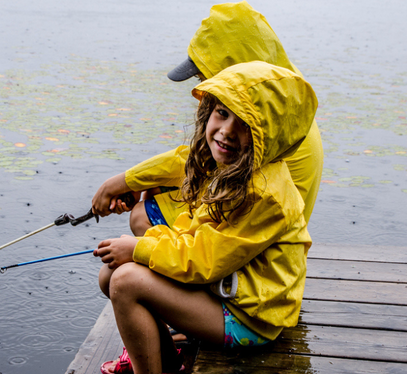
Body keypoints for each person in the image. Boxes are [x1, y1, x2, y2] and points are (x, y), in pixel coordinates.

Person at [80, 61, 318, 374]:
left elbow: (204, 262)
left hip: (250, 319)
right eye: (222, 113)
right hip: (221, 293)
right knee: (111, 275)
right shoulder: (229, 165)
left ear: (269, 136)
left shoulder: (264, 195)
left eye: (245, 124)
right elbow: (192, 229)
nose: (226, 130)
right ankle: (161, 362)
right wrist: (135, 204)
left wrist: (140, 249)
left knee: (126, 280)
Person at [92, 1, 323, 232]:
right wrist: (135, 181)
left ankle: (149, 266)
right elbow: (200, 163)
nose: (202, 89)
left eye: (205, 77)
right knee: (156, 188)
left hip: (253, 228)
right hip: (246, 200)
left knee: (142, 215)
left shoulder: (261, 115)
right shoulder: (281, 93)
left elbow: (204, 165)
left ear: (234, 69)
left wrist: (119, 183)